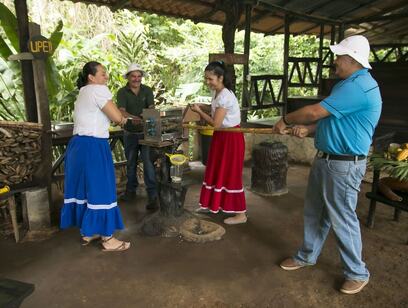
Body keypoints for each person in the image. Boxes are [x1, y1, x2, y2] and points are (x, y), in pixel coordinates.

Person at [273, 35, 382, 294]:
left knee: (342, 217)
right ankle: (307, 255)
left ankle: (357, 272)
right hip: (326, 159)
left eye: (339, 56)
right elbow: (331, 120)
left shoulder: (359, 86)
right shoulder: (347, 84)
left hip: (344, 165)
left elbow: (314, 111)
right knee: (315, 212)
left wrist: (286, 119)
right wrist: (309, 130)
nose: (335, 61)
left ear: (352, 58)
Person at [60, 61, 130, 252]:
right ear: (91, 77)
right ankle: (108, 238)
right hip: (93, 145)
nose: (106, 77)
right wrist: (123, 119)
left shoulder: (83, 91)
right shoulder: (98, 90)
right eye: (102, 73)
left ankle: (89, 232)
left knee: (84, 189)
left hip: (77, 146)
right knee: (102, 187)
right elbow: (116, 117)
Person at [191, 61, 247, 225]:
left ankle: (241, 214)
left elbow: (215, 123)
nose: (207, 82)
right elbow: (217, 110)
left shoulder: (224, 96)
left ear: (220, 78)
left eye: (210, 79)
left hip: (231, 138)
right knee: (216, 170)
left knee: (231, 173)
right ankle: (212, 204)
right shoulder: (219, 93)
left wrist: (200, 111)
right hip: (222, 137)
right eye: (206, 78)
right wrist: (204, 106)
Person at [117, 63, 158, 210]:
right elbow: (121, 111)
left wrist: (147, 113)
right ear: (128, 77)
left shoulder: (147, 90)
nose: (136, 79)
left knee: (148, 163)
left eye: (139, 76)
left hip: (147, 132)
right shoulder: (122, 92)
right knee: (131, 163)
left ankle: (153, 195)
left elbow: (152, 108)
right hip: (130, 132)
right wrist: (133, 117)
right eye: (133, 76)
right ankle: (130, 191)